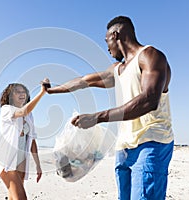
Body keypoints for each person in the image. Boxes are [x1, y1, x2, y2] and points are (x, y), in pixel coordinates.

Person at [47, 16, 174, 200]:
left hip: (151, 142)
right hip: (123, 148)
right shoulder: (118, 69)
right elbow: (84, 81)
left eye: (106, 41)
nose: (107, 48)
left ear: (115, 35)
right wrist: (52, 90)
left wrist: (97, 117)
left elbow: (149, 100)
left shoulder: (150, 56)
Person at [0, 79, 49, 200]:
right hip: (7, 161)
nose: (22, 94)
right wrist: (42, 93)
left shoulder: (29, 116)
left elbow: (32, 141)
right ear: (10, 96)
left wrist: (38, 165)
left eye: (23, 92)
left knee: (13, 197)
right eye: (17, 92)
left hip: (21, 163)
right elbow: (23, 111)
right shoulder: (6, 109)